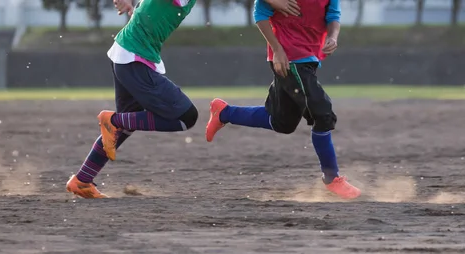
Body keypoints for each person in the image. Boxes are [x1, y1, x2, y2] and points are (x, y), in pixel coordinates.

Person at [66, 0, 302, 199]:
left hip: (128, 55)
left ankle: (83, 180)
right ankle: (113, 121)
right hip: (133, 58)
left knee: (128, 125)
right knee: (185, 117)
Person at [205, 0, 361, 199]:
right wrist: (277, 49)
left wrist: (333, 37)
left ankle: (224, 112)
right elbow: (260, 13)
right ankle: (332, 178)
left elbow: (333, 16)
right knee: (323, 113)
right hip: (289, 59)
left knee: (282, 122)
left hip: (309, 58)